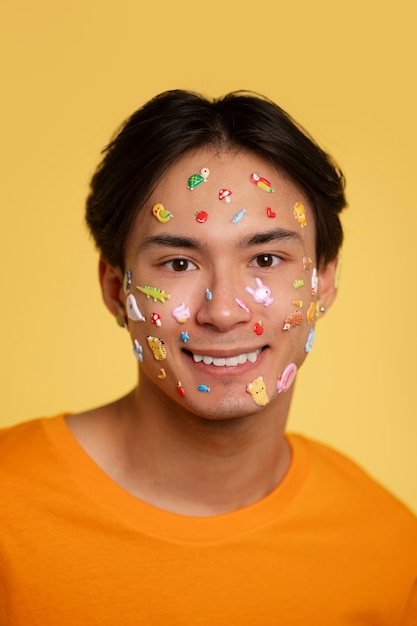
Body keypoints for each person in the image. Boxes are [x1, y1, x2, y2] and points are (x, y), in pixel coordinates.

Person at [1, 89, 416, 625]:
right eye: (177, 263)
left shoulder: (386, 549)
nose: (223, 312)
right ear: (113, 288)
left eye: (266, 258)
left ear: (323, 283)